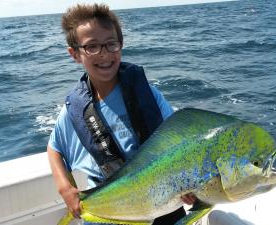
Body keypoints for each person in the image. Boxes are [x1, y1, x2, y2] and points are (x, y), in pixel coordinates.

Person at [46, 3, 196, 225]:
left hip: (160, 203)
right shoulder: (73, 110)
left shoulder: (150, 95)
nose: (104, 54)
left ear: (121, 45)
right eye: (92, 47)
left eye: (111, 44)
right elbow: (54, 148)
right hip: (105, 209)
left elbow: (179, 144)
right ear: (75, 54)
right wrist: (64, 187)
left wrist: (187, 184)